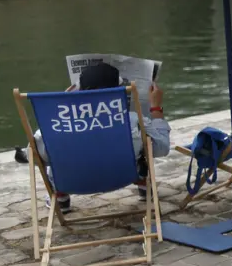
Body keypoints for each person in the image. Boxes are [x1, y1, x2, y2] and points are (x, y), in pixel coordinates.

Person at [33, 62, 171, 213]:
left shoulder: (55, 127)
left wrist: (65, 105)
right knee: (141, 148)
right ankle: (143, 181)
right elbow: (162, 148)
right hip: (122, 176)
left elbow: (37, 158)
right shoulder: (134, 121)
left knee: (55, 153)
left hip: (70, 182)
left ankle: (60, 197)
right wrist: (156, 107)